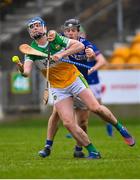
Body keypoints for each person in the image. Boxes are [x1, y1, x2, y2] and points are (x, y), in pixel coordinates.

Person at [38, 18, 135, 159]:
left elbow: (92, 55)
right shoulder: (59, 42)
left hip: (79, 83)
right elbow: (49, 37)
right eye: (67, 30)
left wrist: (90, 57)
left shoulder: (85, 44)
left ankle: (119, 128)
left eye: (73, 31)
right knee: (56, 114)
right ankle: (48, 146)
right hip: (62, 85)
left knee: (87, 117)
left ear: (78, 32)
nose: (70, 33)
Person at [17, 16, 103, 159]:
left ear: (44, 27)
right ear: (29, 33)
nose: (35, 28)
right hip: (58, 87)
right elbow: (26, 72)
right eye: (32, 27)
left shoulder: (55, 39)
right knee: (66, 121)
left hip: (74, 80)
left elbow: (78, 45)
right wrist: (21, 69)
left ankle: (79, 147)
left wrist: (61, 53)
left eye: (38, 25)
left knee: (84, 120)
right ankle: (52, 146)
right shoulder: (30, 51)